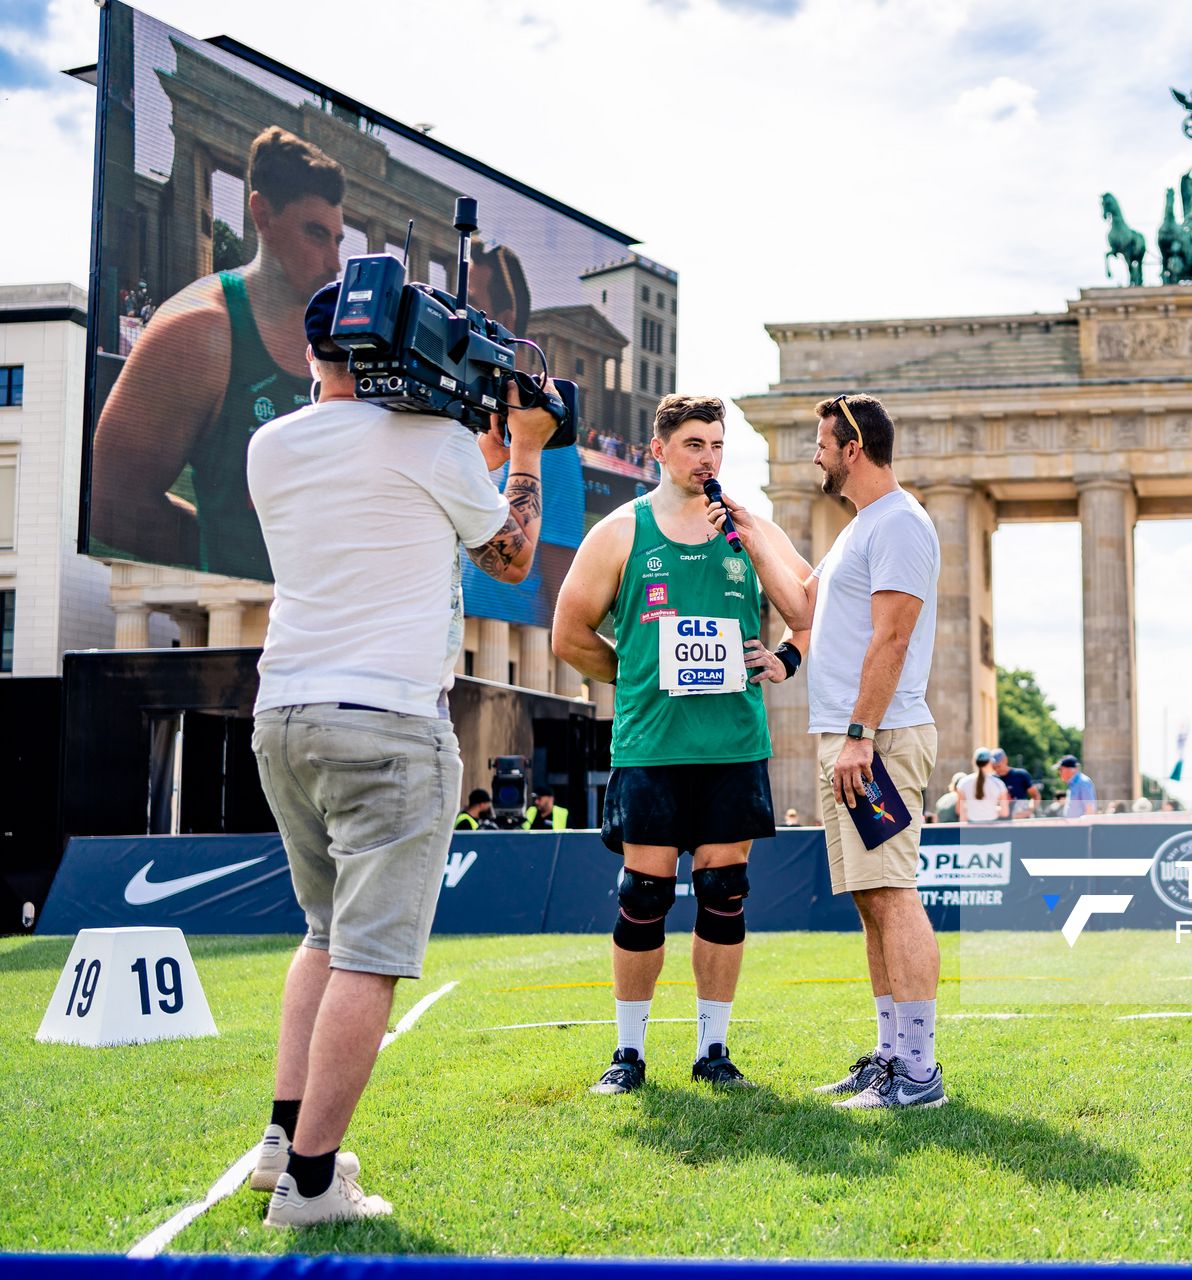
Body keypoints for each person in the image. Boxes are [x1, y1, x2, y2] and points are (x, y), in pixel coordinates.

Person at [245, 283, 559, 1225]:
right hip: (386, 724)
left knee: (323, 934)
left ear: (316, 354)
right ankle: (310, 1185)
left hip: (285, 713)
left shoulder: (272, 444)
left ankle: (278, 1145)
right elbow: (510, 557)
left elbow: (388, 495)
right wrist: (526, 453)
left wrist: (473, 447)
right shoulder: (434, 444)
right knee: (370, 959)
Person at [553, 394, 810, 1098]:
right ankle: (628, 1054)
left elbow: (811, 609)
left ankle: (714, 1049)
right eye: (694, 443)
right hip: (652, 746)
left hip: (732, 744)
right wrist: (635, 671)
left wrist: (785, 660)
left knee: (725, 894)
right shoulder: (620, 531)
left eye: (718, 445)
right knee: (644, 896)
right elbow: (569, 634)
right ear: (659, 450)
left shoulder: (749, 529)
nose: (708, 458)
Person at [707, 392, 946, 1110]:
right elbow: (806, 608)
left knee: (893, 893)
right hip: (849, 738)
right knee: (872, 899)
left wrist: (860, 736)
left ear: (855, 447)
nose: (814, 452)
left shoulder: (900, 522)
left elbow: (893, 638)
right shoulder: (862, 527)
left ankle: (919, 1072)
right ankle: (889, 1054)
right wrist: (752, 534)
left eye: (822, 441)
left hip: (877, 738)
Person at [94, 127, 346, 579]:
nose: (334, 262)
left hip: (348, 630)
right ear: (263, 215)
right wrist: (231, 552)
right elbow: (111, 504)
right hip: (244, 629)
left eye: (337, 240)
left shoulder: (346, 333)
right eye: (315, 234)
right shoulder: (196, 329)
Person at [957, 748, 1010, 822]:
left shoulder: (963, 783)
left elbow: (959, 810)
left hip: (970, 830)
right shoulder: (999, 784)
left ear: (974, 762)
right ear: (990, 762)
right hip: (991, 829)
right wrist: (991, 809)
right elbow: (1005, 813)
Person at [988, 748, 1038, 818]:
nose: (996, 769)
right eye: (993, 767)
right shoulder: (991, 779)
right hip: (1000, 820)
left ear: (1005, 760)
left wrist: (1029, 811)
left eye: (998, 766)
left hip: (1020, 819)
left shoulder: (1021, 775)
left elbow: (1036, 796)